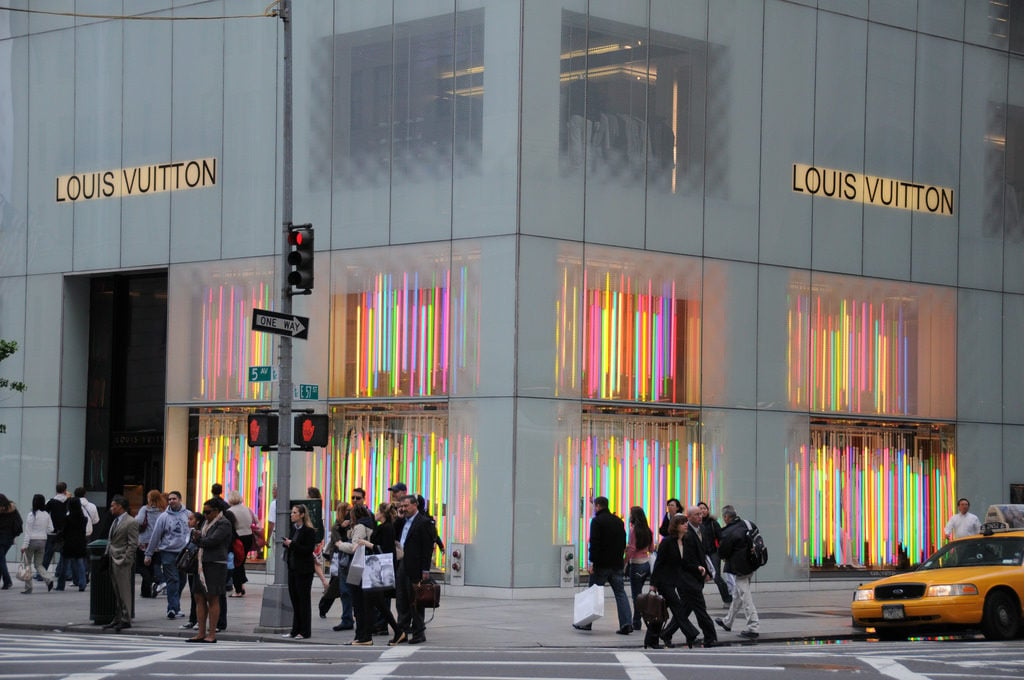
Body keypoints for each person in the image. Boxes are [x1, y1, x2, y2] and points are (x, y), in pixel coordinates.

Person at [573, 496, 632, 635]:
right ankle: (626, 623)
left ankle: (587, 623)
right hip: (616, 564)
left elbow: (595, 543)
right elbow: (623, 542)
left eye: (594, 506)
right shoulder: (618, 521)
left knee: (593, 592)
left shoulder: (597, 521)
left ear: (598, 506)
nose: (594, 509)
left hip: (601, 565)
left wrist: (592, 562)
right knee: (620, 593)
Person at [650, 514, 702, 649]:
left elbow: (683, 563)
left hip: (675, 581)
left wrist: (697, 568)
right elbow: (659, 564)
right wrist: (653, 584)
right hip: (664, 581)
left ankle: (652, 639)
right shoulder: (667, 542)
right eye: (682, 523)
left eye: (686, 523)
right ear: (675, 526)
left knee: (660, 612)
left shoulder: (683, 542)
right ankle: (692, 635)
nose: (686, 525)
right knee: (678, 608)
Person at [391, 494, 435, 645]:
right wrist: (398, 517)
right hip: (402, 564)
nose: (403, 509)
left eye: (406, 506)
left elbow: (428, 548)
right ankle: (402, 631)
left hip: (415, 567)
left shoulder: (423, 522)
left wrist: (425, 570)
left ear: (415, 505)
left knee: (416, 600)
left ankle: (418, 632)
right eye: (401, 506)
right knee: (401, 599)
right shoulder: (402, 521)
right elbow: (394, 533)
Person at [187, 499, 233, 643]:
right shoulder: (205, 523)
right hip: (201, 563)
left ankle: (211, 634)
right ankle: (201, 632)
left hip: (216, 564)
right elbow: (204, 539)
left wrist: (198, 538)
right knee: (199, 597)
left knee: (212, 597)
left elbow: (212, 541)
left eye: (208, 512)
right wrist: (198, 537)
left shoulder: (224, 523)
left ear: (216, 511)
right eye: (203, 512)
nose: (205, 515)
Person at [715, 505, 760, 640]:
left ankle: (753, 626)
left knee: (745, 595)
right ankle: (728, 621)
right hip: (752, 564)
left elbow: (722, 552)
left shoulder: (728, 532)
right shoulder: (747, 523)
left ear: (726, 517)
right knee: (737, 594)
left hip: (740, 568)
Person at [676, 504, 719, 647]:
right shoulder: (686, 534)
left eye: (701, 514)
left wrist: (706, 570)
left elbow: (704, 554)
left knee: (685, 609)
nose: (700, 516)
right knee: (700, 609)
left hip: (696, 576)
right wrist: (699, 568)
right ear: (688, 517)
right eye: (697, 515)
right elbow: (687, 559)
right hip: (688, 578)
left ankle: (666, 633)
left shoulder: (703, 530)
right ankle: (710, 636)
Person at [144, 490, 190, 619]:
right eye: (169, 499)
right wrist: (149, 554)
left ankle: (176, 606)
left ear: (180, 499)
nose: (171, 501)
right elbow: (156, 536)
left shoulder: (188, 514)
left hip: (183, 553)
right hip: (168, 552)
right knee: (173, 580)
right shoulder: (163, 517)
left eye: (174, 499)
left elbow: (192, 532)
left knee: (182, 580)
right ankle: (172, 608)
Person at [338, 504, 376, 645]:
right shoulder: (368, 525)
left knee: (358, 603)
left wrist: (340, 544)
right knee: (363, 604)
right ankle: (362, 635)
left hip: (358, 568)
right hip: (364, 567)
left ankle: (361, 636)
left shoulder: (360, 527)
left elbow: (354, 547)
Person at [367, 502, 402, 640]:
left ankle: (384, 627)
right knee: (378, 600)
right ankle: (378, 627)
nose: (375, 514)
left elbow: (385, 549)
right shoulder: (384, 527)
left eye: (377, 511)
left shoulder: (386, 528)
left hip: (381, 567)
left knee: (380, 600)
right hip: (379, 567)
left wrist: (368, 544)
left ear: (382, 514)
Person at [282, 503, 317, 640]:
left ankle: (305, 631)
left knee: (303, 600)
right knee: (295, 600)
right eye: (292, 512)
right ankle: (295, 630)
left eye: (295, 513)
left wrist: (292, 544)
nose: (292, 515)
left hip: (304, 570)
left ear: (302, 515)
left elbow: (307, 550)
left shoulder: (308, 531)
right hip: (293, 568)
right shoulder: (294, 529)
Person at [104, 495, 139, 632]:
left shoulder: (131, 522)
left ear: (120, 506)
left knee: (124, 591)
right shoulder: (115, 521)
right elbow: (111, 540)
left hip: (122, 560)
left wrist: (126, 559)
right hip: (113, 558)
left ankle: (126, 618)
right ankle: (118, 617)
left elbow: (133, 543)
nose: (111, 508)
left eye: (113, 505)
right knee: (117, 591)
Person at [319, 501, 354, 630]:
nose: (349, 513)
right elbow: (338, 541)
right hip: (339, 560)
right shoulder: (337, 526)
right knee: (336, 587)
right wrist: (343, 528)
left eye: (350, 510)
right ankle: (323, 607)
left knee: (346, 589)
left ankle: (348, 616)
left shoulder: (353, 523)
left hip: (349, 560)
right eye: (347, 510)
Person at [625, 506, 654, 631]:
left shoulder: (633, 530)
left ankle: (636, 622)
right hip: (646, 564)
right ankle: (642, 619)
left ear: (634, 516)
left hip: (636, 564)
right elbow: (652, 549)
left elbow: (631, 548)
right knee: (641, 593)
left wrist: (625, 562)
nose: (629, 516)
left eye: (630, 514)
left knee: (636, 595)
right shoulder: (649, 531)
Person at [697, 501, 732, 605]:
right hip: (701, 554)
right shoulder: (695, 524)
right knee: (699, 577)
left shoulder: (713, 523)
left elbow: (721, 538)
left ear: (707, 510)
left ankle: (727, 599)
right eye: (700, 508)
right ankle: (697, 601)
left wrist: (722, 552)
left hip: (713, 553)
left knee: (716, 576)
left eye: (704, 508)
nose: (702, 510)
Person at [20, 494, 53, 593]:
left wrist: (24, 545)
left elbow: (28, 532)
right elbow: (51, 529)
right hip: (43, 541)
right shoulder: (46, 514)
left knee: (27, 565)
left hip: (32, 541)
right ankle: (49, 579)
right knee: (39, 564)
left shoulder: (31, 515)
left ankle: (28, 588)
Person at [136, 489, 166, 598]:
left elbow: (138, 521)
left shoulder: (145, 509)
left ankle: (152, 583)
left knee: (141, 566)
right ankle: (146, 591)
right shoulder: (163, 511)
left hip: (145, 541)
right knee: (153, 565)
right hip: (158, 543)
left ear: (149, 498)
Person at [227, 490, 256, 597]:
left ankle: (238, 589)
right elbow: (256, 521)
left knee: (236, 563)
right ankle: (241, 586)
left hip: (238, 538)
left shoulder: (230, 511)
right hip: (248, 536)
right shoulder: (247, 509)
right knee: (241, 562)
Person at [57, 498, 88, 591]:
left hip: (68, 543)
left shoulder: (67, 519)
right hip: (80, 543)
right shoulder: (84, 519)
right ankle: (82, 584)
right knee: (80, 564)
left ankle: (61, 585)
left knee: (64, 566)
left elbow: (64, 532)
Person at [42, 482, 69, 580]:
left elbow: (44, 513)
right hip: (65, 530)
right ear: (65, 490)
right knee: (64, 553)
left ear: (56, 490)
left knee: (48, 553)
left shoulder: (51, 501)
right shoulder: (69, 501)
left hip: (53, 531)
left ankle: (42, 573)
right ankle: (60, 572)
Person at [305, 487, 330, 591]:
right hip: (317, 538)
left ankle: (325, 582)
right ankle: (324, 582)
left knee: (315, 562)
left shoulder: (312, 509)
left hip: (313, 538)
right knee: (316, 562)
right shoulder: (320, 508)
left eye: (307, 494)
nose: (306, 496)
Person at [0, 494, 23, 590]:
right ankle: (6, 582)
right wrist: (14, 534)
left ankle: (7, 581)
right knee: (1, 560)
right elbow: (19, 522)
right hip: (9, 539)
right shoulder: (12, 509)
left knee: (1, 560)